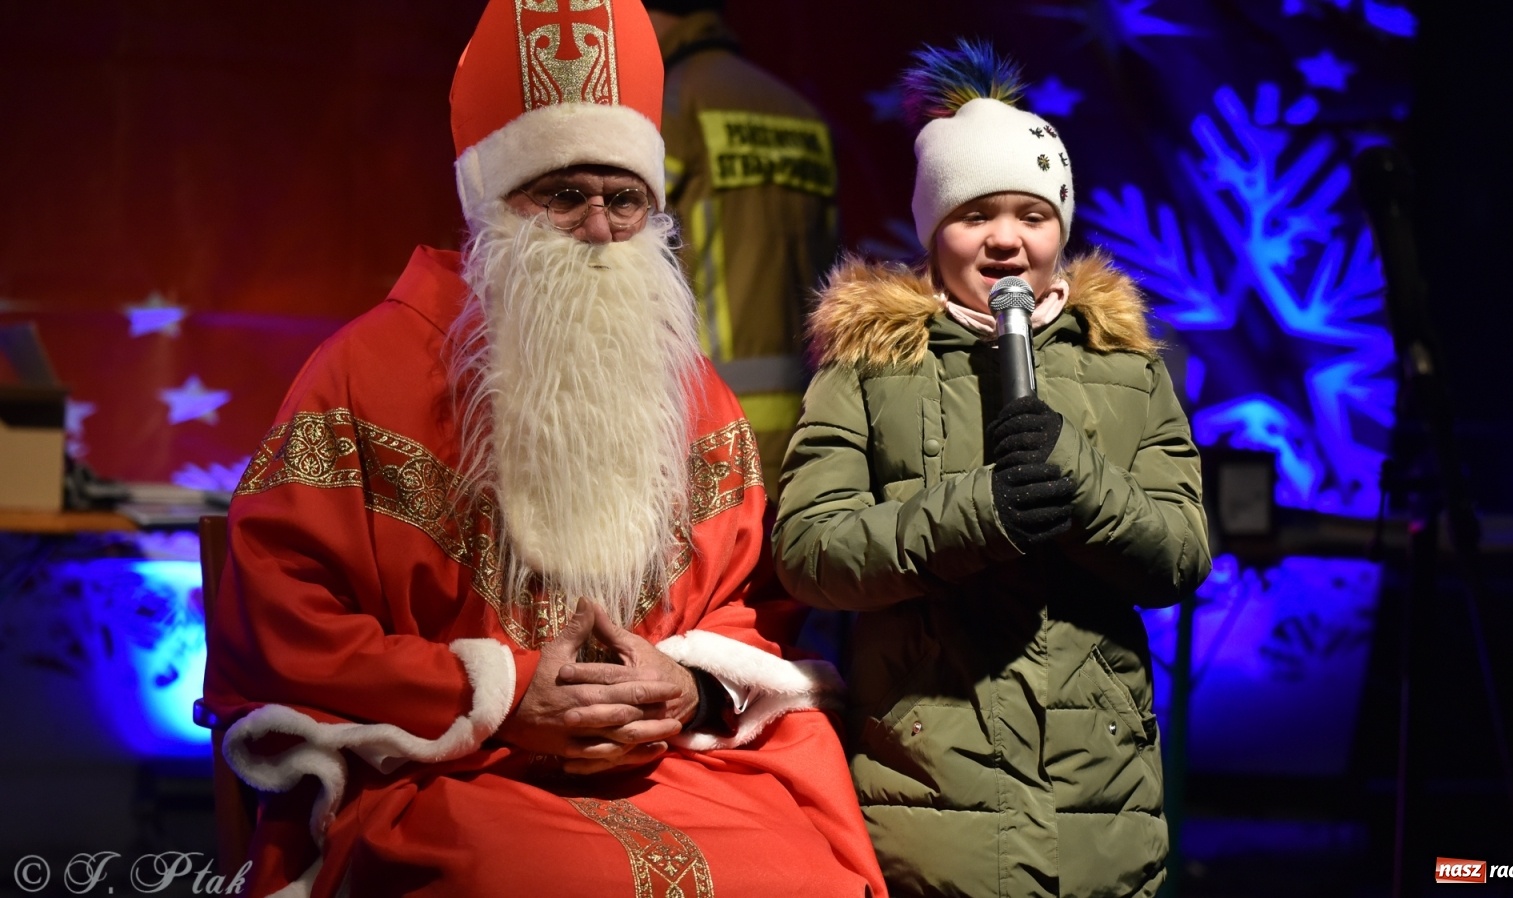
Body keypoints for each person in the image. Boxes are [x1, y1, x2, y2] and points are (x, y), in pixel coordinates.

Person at [200, 2, 887, 896]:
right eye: (563, 195)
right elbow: (286, 623)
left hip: (673, 760)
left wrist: (688, 684)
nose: (599, 228)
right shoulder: (363, 377)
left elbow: (748, 599)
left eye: (625, 198)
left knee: (801, 876)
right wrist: (500, 693)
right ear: (494, 204)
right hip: (457, 766)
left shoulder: (694, 395)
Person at [772, 41, 1212, 898]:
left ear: (1061, 228)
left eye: (1032, 214)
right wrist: (981, 513)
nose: (1006, 239)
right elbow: (809, 551)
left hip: (1102, 815)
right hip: (929, 807)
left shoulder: (1128, 364)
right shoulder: (868, 365)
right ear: (933, 228)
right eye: (975, 214)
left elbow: (1181, 554)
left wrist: (1076, 481)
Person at [644, 0, 838, 494]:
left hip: (706, 431)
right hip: (814, 426)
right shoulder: (799, 112)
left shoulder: (668, 105)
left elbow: (626, 253)